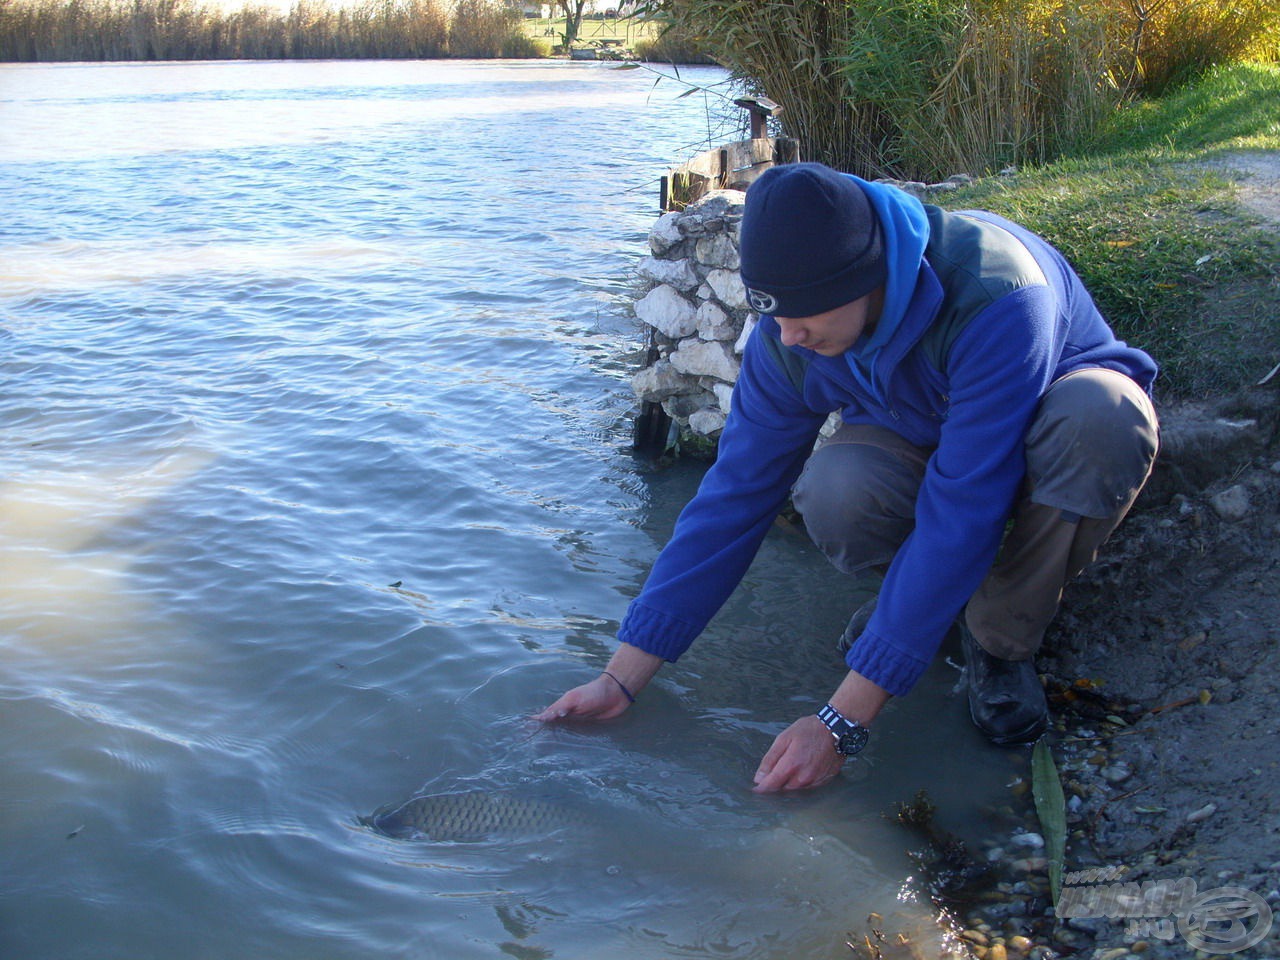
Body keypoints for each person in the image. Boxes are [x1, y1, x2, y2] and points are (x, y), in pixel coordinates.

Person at [536, 161, 1159, 792]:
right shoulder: (790, 336)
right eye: (772, 314)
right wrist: (619, 679)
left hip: (1046, 417)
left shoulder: (997, 299)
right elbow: (731, 500)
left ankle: (999, 639)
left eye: (805, 314)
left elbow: (964, 509)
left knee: (1102, 422)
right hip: (919, 418)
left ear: (869, 280)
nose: (789, 335)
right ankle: (918, 615)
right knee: (836, 489)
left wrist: (841, 723)